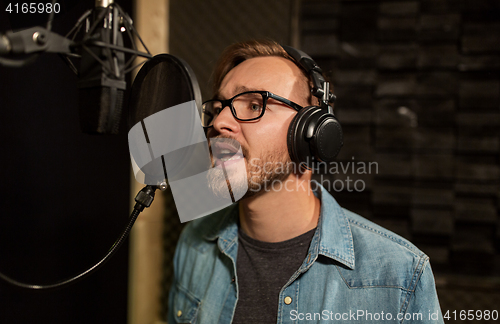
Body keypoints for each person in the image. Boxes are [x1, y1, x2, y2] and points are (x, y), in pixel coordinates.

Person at [168, 39, 444, 324]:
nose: (219, 122)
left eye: (253, 104)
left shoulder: (399, 275)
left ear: (310, 135)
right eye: (217, 108)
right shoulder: (195, 243)